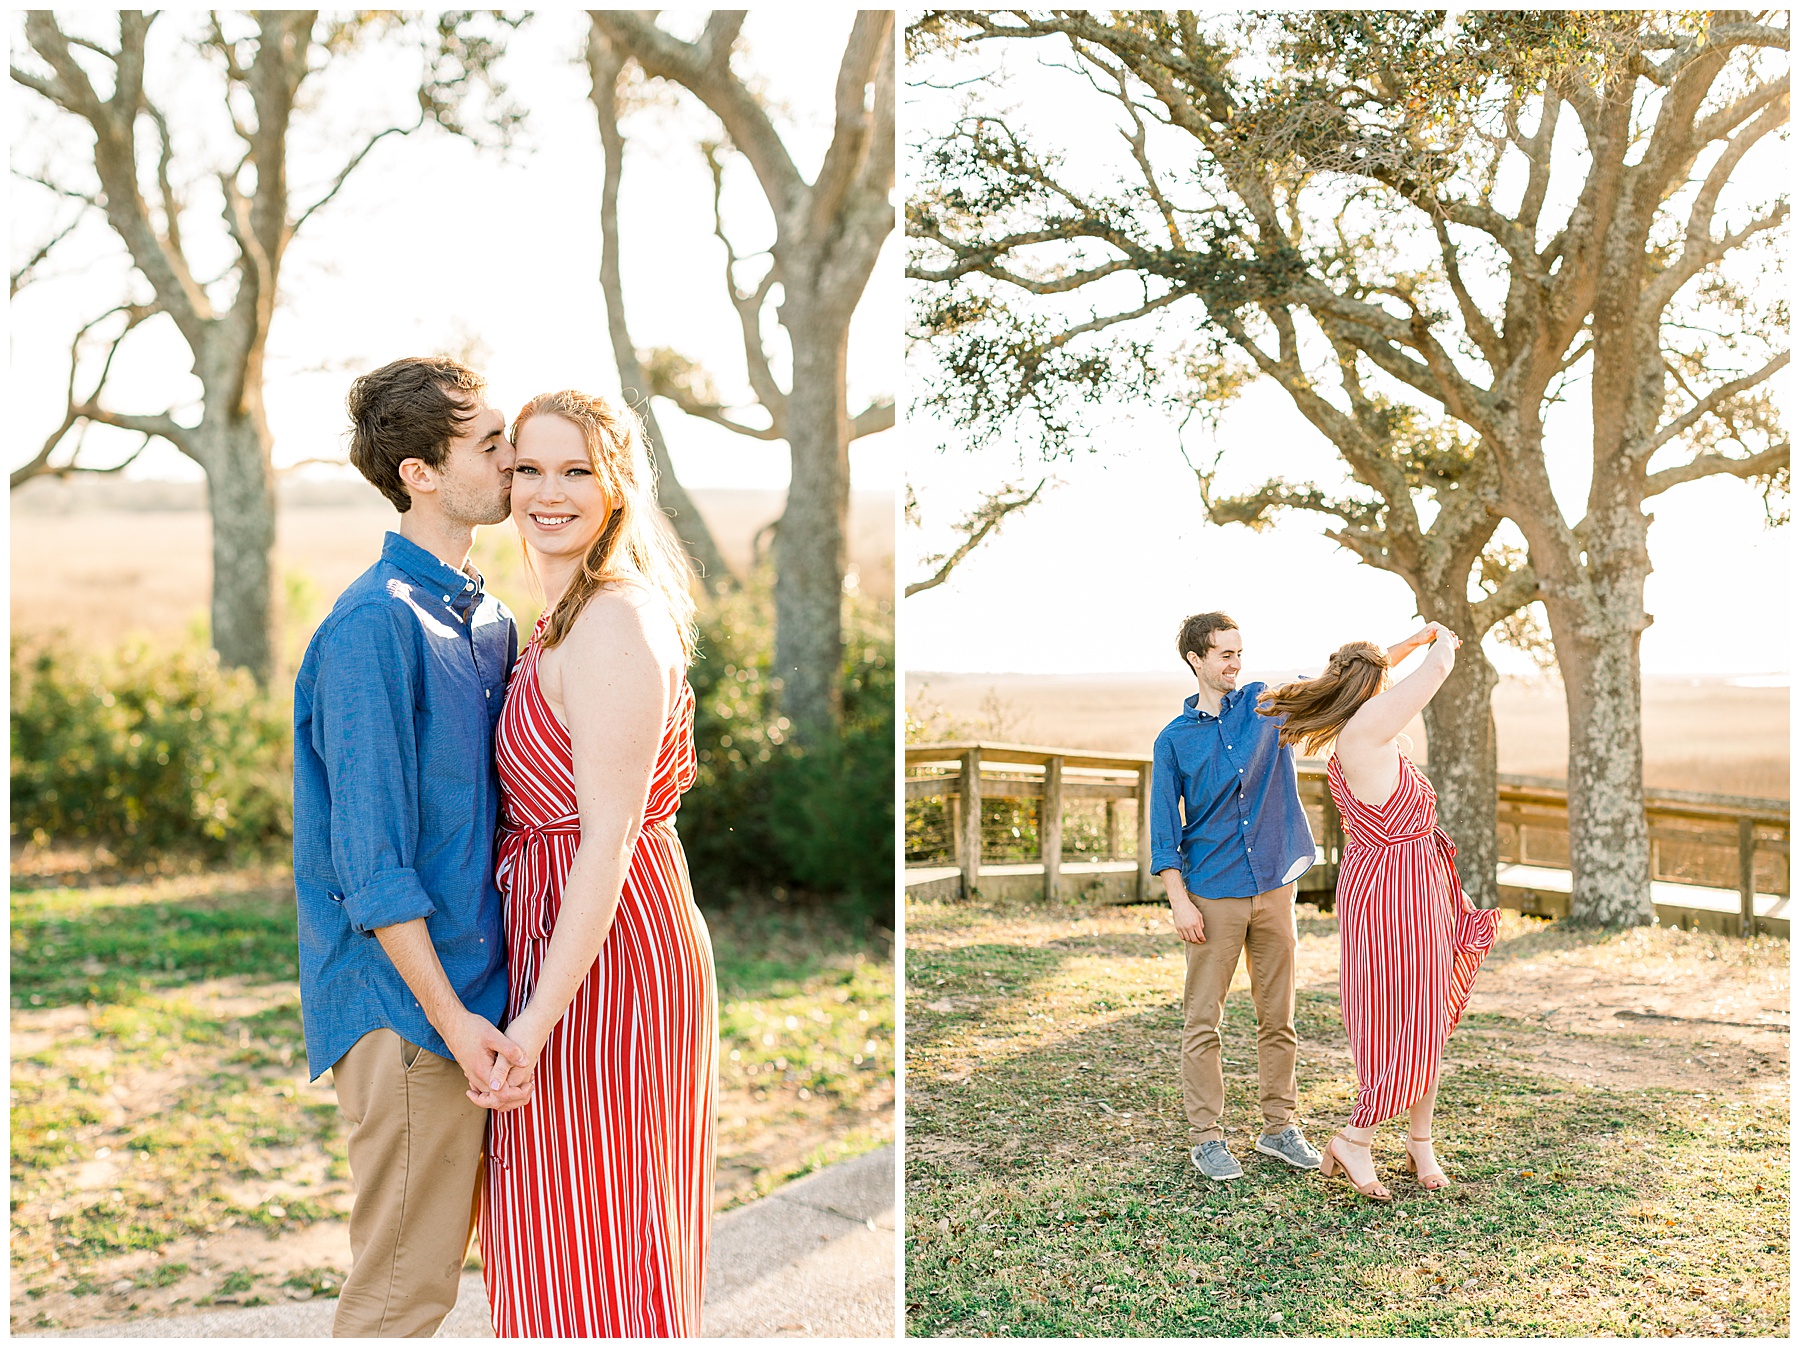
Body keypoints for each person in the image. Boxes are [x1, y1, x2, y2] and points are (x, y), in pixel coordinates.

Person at [293, 356, 531, 1337]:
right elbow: (371, 869)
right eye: (491, 445)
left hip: (481, 1002)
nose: (514, 463)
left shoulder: (489, 619)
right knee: (400, 1296)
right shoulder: (372, 630)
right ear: (420, 473)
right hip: (408, 1013)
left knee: (436, 1283)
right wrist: (450, 1016)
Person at [472, 389, 716, 1337]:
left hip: (608, 960)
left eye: (576, 470)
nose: (549, 491)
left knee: (598, 1238)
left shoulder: (614, 619)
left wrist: (533, 1024)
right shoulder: (559, 617)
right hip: (560, 947)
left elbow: (607, 840)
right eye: (529, 467)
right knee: (547, 1238)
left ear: (616, 486)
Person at [1257, 623, 1500, 1201]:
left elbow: (1367, 674)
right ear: (1373, 687)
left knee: (1426, 1015)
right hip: (1391, 895)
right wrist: (1443, 643)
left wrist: (1409, 643)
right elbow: (1435, 675)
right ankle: (1355, 1139)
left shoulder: (1361, 718)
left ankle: (1420, 1142)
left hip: (1418, 888)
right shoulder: (1365, 728)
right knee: (1399, 1020)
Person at [1150, 612, 1322, 1182]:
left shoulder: (1262, 708)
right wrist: (1179, 900)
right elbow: (1163, 832)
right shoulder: (1174, 742)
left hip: (1273, 886)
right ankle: (1207, 1138)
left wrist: (1412, 646)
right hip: (1212, 895)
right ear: (1196, 659)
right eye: (1224, 654)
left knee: (1279, 1018)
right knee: (1204, 1022)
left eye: (1239, 652)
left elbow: (1334, 681)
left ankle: (1279, 1128)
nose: (1235, 663)